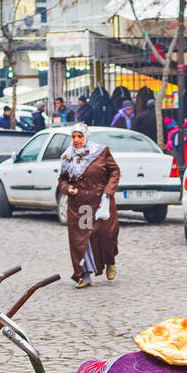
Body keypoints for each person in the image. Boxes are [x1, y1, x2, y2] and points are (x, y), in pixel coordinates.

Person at [57, 123, 121, 288]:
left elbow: (114, 171)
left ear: (86, 137)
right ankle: (84, 275)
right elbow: (62, 179)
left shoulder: (101, 152)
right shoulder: (68, 156)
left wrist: (109, 191)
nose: (77, 140)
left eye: (80, 136)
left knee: (106, 235)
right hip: (81, 206)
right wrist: (67, 188)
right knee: (82, 239)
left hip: (101, 202)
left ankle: (110, 260)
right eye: (74, 136)